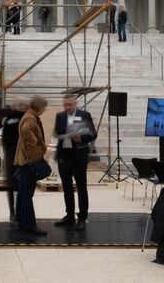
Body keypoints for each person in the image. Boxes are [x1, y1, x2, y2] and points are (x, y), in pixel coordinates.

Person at [54, 95, 96, 230]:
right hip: (64, 156)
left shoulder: (85, 115)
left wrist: (81, 138)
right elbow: (57, 131)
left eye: (69, 105)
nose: (67, 107)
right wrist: (65, 132)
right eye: (65, 105)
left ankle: (82, 217)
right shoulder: (60, 116)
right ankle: (69, 215)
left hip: (79, 156)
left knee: (81, 188)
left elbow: (93, 134)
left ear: (75, 104)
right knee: (67, 188)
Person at [15, 96, 48, 235]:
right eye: (44, 108)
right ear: (38, 107)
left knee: (23, 192)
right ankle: (30, 225)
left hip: (25, 160)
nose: (44, 110)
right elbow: (26, 130)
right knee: (27, 193)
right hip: (29, 160)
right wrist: (34, 141)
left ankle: (22, 221)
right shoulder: (30, 118)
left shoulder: (29, 115)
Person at [1, 99, 28, 227]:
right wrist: (8, 151)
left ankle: (22, 211)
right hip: (12, 154)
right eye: (21, 104)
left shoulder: (28, 117)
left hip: (24, 155)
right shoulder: (9, 118)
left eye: (24, 104)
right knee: (11, 185)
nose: (24, 106)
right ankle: (12, 212)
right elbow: (4, 136)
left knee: (23, 184)